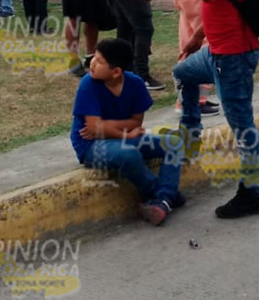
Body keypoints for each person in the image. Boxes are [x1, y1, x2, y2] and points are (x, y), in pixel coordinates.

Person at [172, 0, 259, 220]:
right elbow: (217, 4)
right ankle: (191, 135)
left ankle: (253, 193)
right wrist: (198, 37)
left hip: (235, 57)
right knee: (182, 72)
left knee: (242, 126)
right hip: (215, 52)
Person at [71, 38, 184, 226]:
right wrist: (123, 133)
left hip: (118, 138)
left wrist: (104, 127)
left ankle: (162, 200)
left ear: (116, 72)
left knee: (174, 143)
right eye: (93, 58)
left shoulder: (135, 83)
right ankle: (165, 196)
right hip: (90, 145)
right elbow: (92, 128)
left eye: (99, 62)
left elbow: (136, 121)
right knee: (129, 154)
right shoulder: (88, 84)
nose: (92, 64)